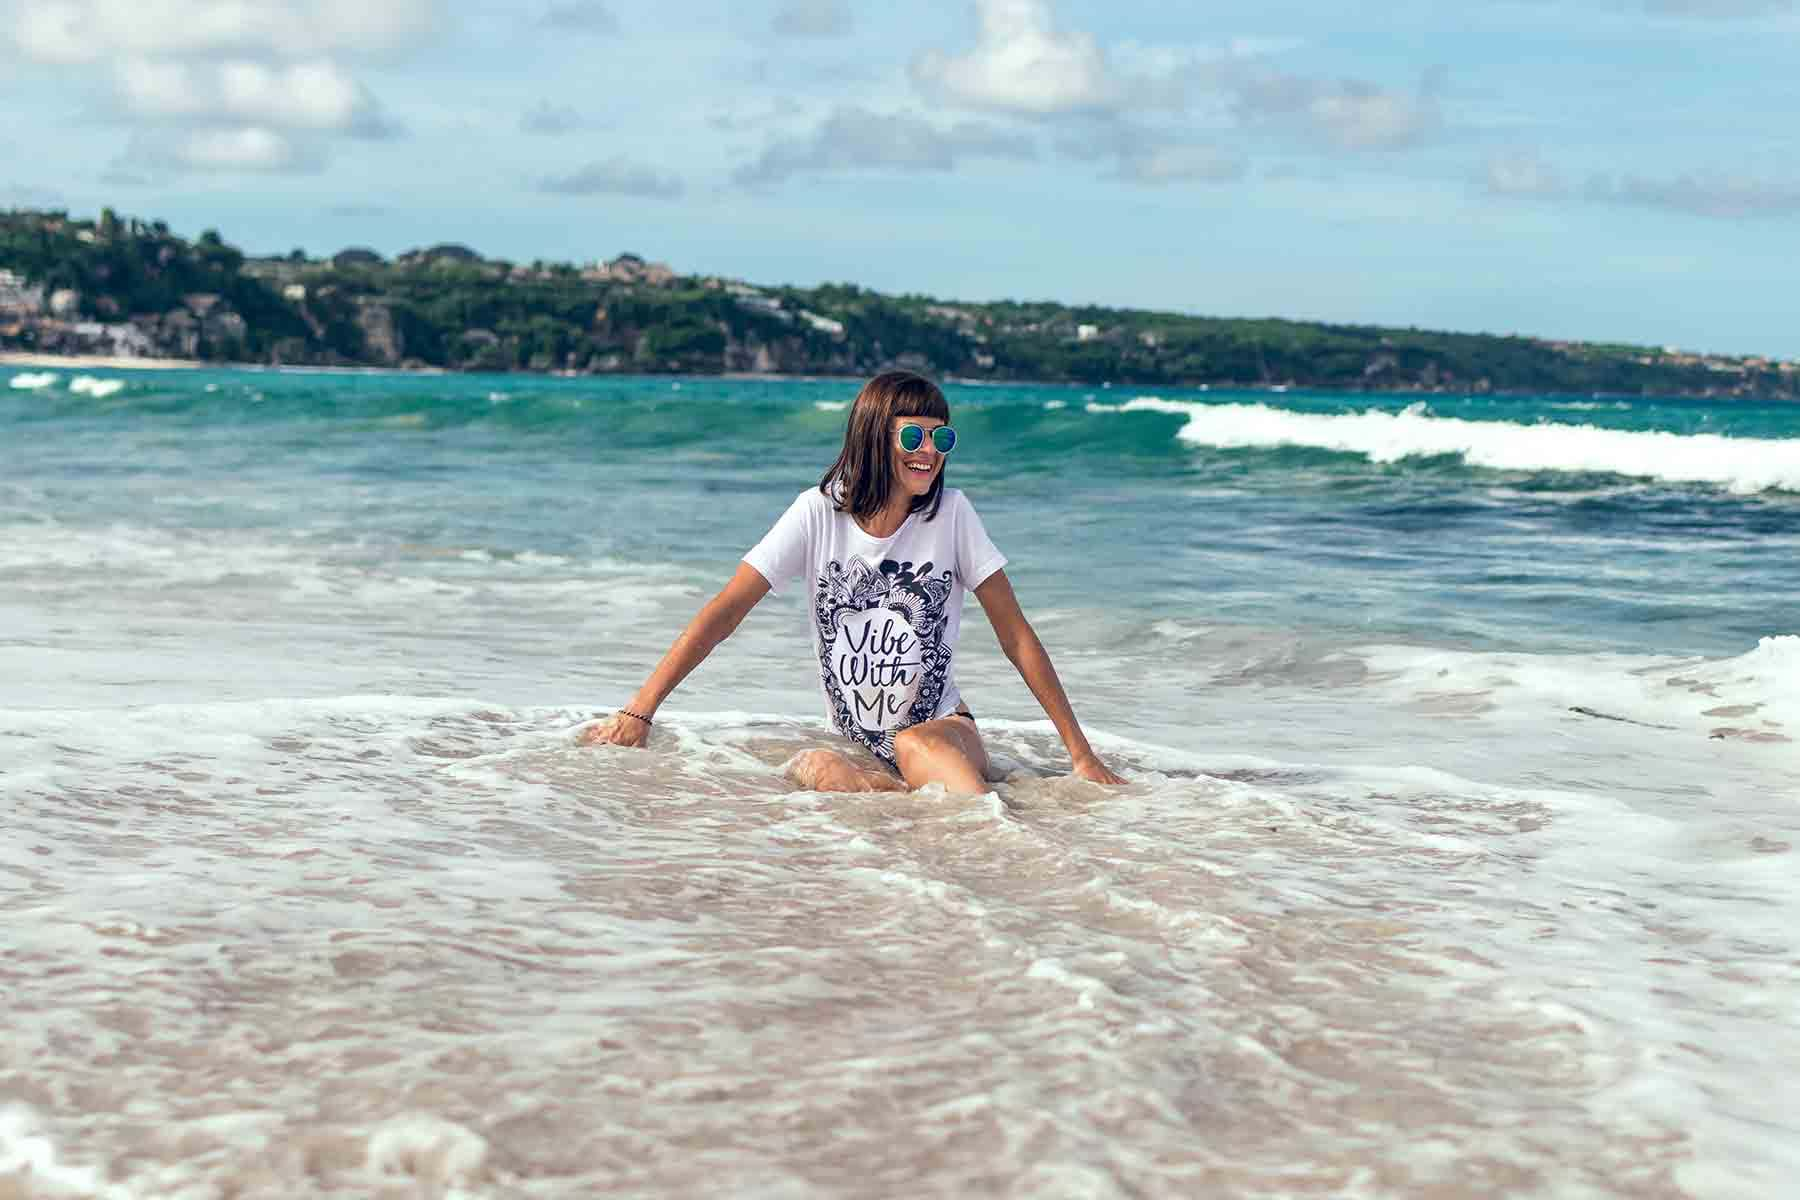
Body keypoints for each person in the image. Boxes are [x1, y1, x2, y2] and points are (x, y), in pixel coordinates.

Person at [580, 369, 1125, 794]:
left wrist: (1080, 754)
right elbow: (726, 611)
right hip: (859, 744)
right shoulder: (816, 515)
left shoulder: (953, 515)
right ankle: (901, 796)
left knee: (916, 744)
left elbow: (1017, 636)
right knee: (815, 768)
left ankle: (986, 827)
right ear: (873, 437)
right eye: (913, 435)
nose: (930, 451)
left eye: (942, 438)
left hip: (944, 729)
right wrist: (638, 712)